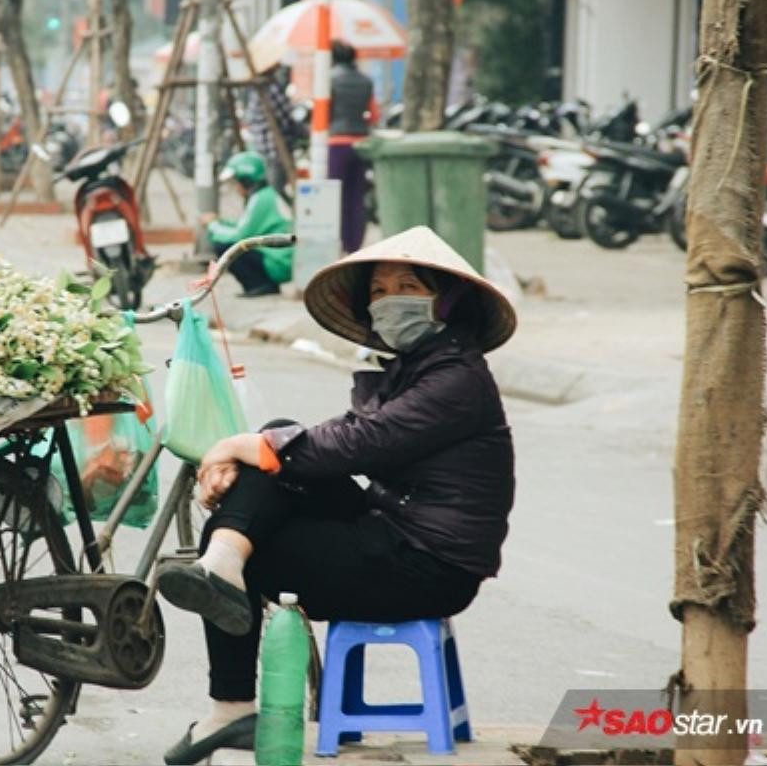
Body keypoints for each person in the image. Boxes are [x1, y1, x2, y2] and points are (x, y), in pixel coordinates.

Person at [155, 226, 517, 765]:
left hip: (428, 565)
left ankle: (231, 700)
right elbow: (330, 445)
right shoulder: (413, 368)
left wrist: (235, 446)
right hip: (390, 528)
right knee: (272, 457)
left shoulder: (457, 380)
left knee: (257, 510)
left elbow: (359, 443)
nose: (388, 298)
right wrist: (254, 450)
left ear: (445, 301)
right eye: (377, 291)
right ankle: (223, 562)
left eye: (407, 285)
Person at [202, 151, 294, 298]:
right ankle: (263, 284)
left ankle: (259, 285)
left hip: (278, 263)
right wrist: (220, 222)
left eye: (236, 182)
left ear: (246, 180)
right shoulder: (264, 195)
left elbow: (240, 235)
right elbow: (244, 227)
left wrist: (213, 225)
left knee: (223, 245)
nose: (236, 187)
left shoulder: (261, 199)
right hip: (277, 260)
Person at [327, 40, 377, 254]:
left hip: (336, 143)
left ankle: (336, 243)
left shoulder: (329, 79)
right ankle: (353, 246)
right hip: (360, 143)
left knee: (335, 195)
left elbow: (323, 112)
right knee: (356, 197)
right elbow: (374, 114)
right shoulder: (366, 81)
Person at [245, 57, 298, 195]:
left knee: (270, 187)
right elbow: (286, 115)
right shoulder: (271, 88)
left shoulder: (255, 88)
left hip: (262, 145)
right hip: (274, 146)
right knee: (275, 190)